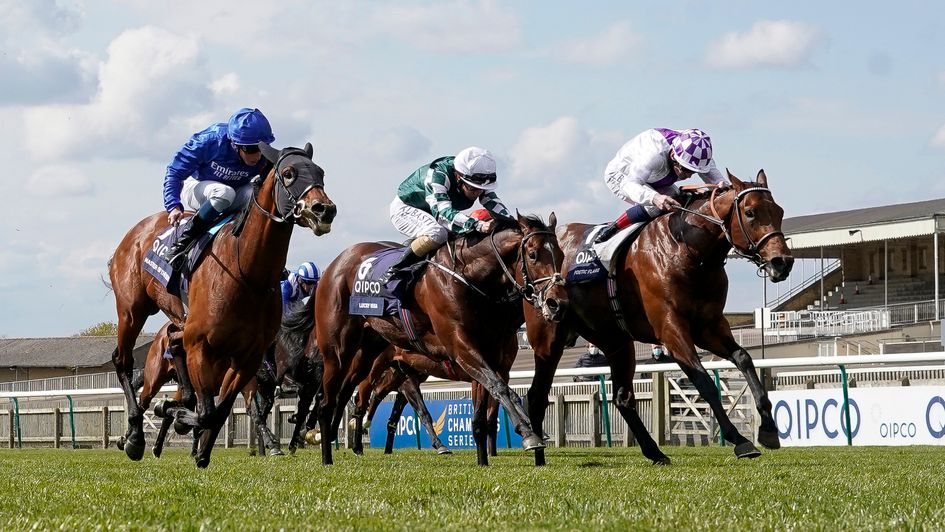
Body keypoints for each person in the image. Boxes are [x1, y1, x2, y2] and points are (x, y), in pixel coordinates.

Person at [161, 108, 276, 265]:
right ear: (235, 144)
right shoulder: (209, 141)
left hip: (236, 192)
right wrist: (173, 205)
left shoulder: (263, 157)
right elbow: (175, 171)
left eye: (261, 148)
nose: (257, 156)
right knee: (224, 192)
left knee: (259, 195)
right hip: (198, 186)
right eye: (250, 149)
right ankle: (182, 243)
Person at [380, 147, 512, 282]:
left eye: (482, 189)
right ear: (458, 177)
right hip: (406, 208)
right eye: (473, 188)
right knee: (437, 233)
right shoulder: (438, 176)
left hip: (433, 210)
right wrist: (478, 224)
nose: (478, 193)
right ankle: (396, 269)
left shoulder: (477, 178)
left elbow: (493, 203)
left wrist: (515, 223)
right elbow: (442, 213)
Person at [594, 128, 727, 244]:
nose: (689, 175)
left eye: (694, 171)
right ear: (674, 155)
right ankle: (613, 229)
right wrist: (655, 197)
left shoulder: (698, 154)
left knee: (680, 201)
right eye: (686, 169)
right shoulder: (654, 155)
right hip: (624, 176)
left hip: (654, 177)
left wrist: (724, 188)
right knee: (655, 207)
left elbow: (720, 183)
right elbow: (631, 184)